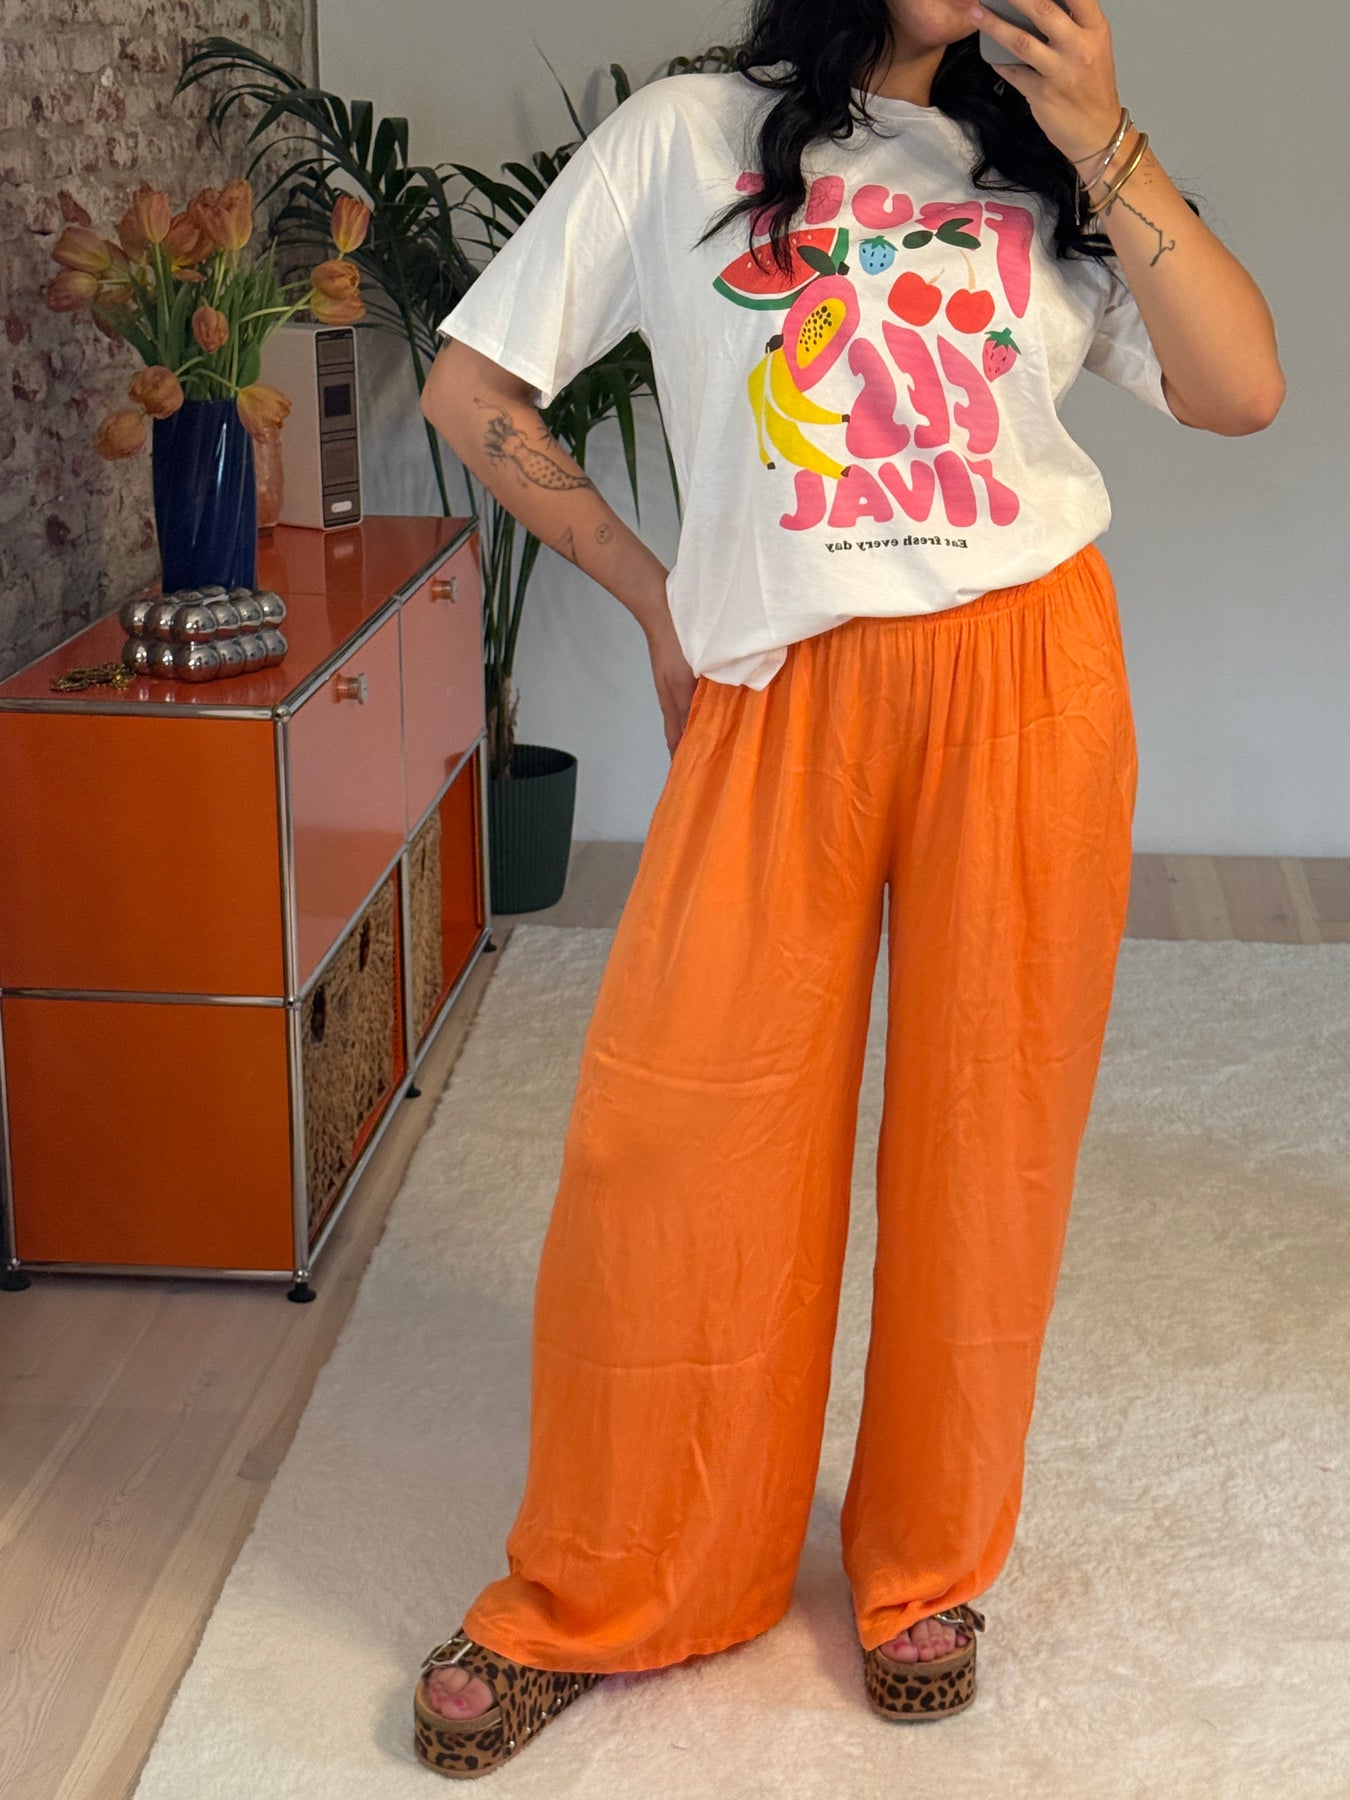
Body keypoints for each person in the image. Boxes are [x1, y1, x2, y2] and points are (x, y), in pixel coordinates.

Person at [412, 0, 1283, 1776]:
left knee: (988, 1132)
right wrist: (655, 600)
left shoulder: (1052, 157)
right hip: (778, 688)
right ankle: (614, 1580)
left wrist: (1101, 128)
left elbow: (1239, 392)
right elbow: (469, 388)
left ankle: (923, 1565)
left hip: (1026, 674)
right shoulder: (683, 136)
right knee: (680, 1139)